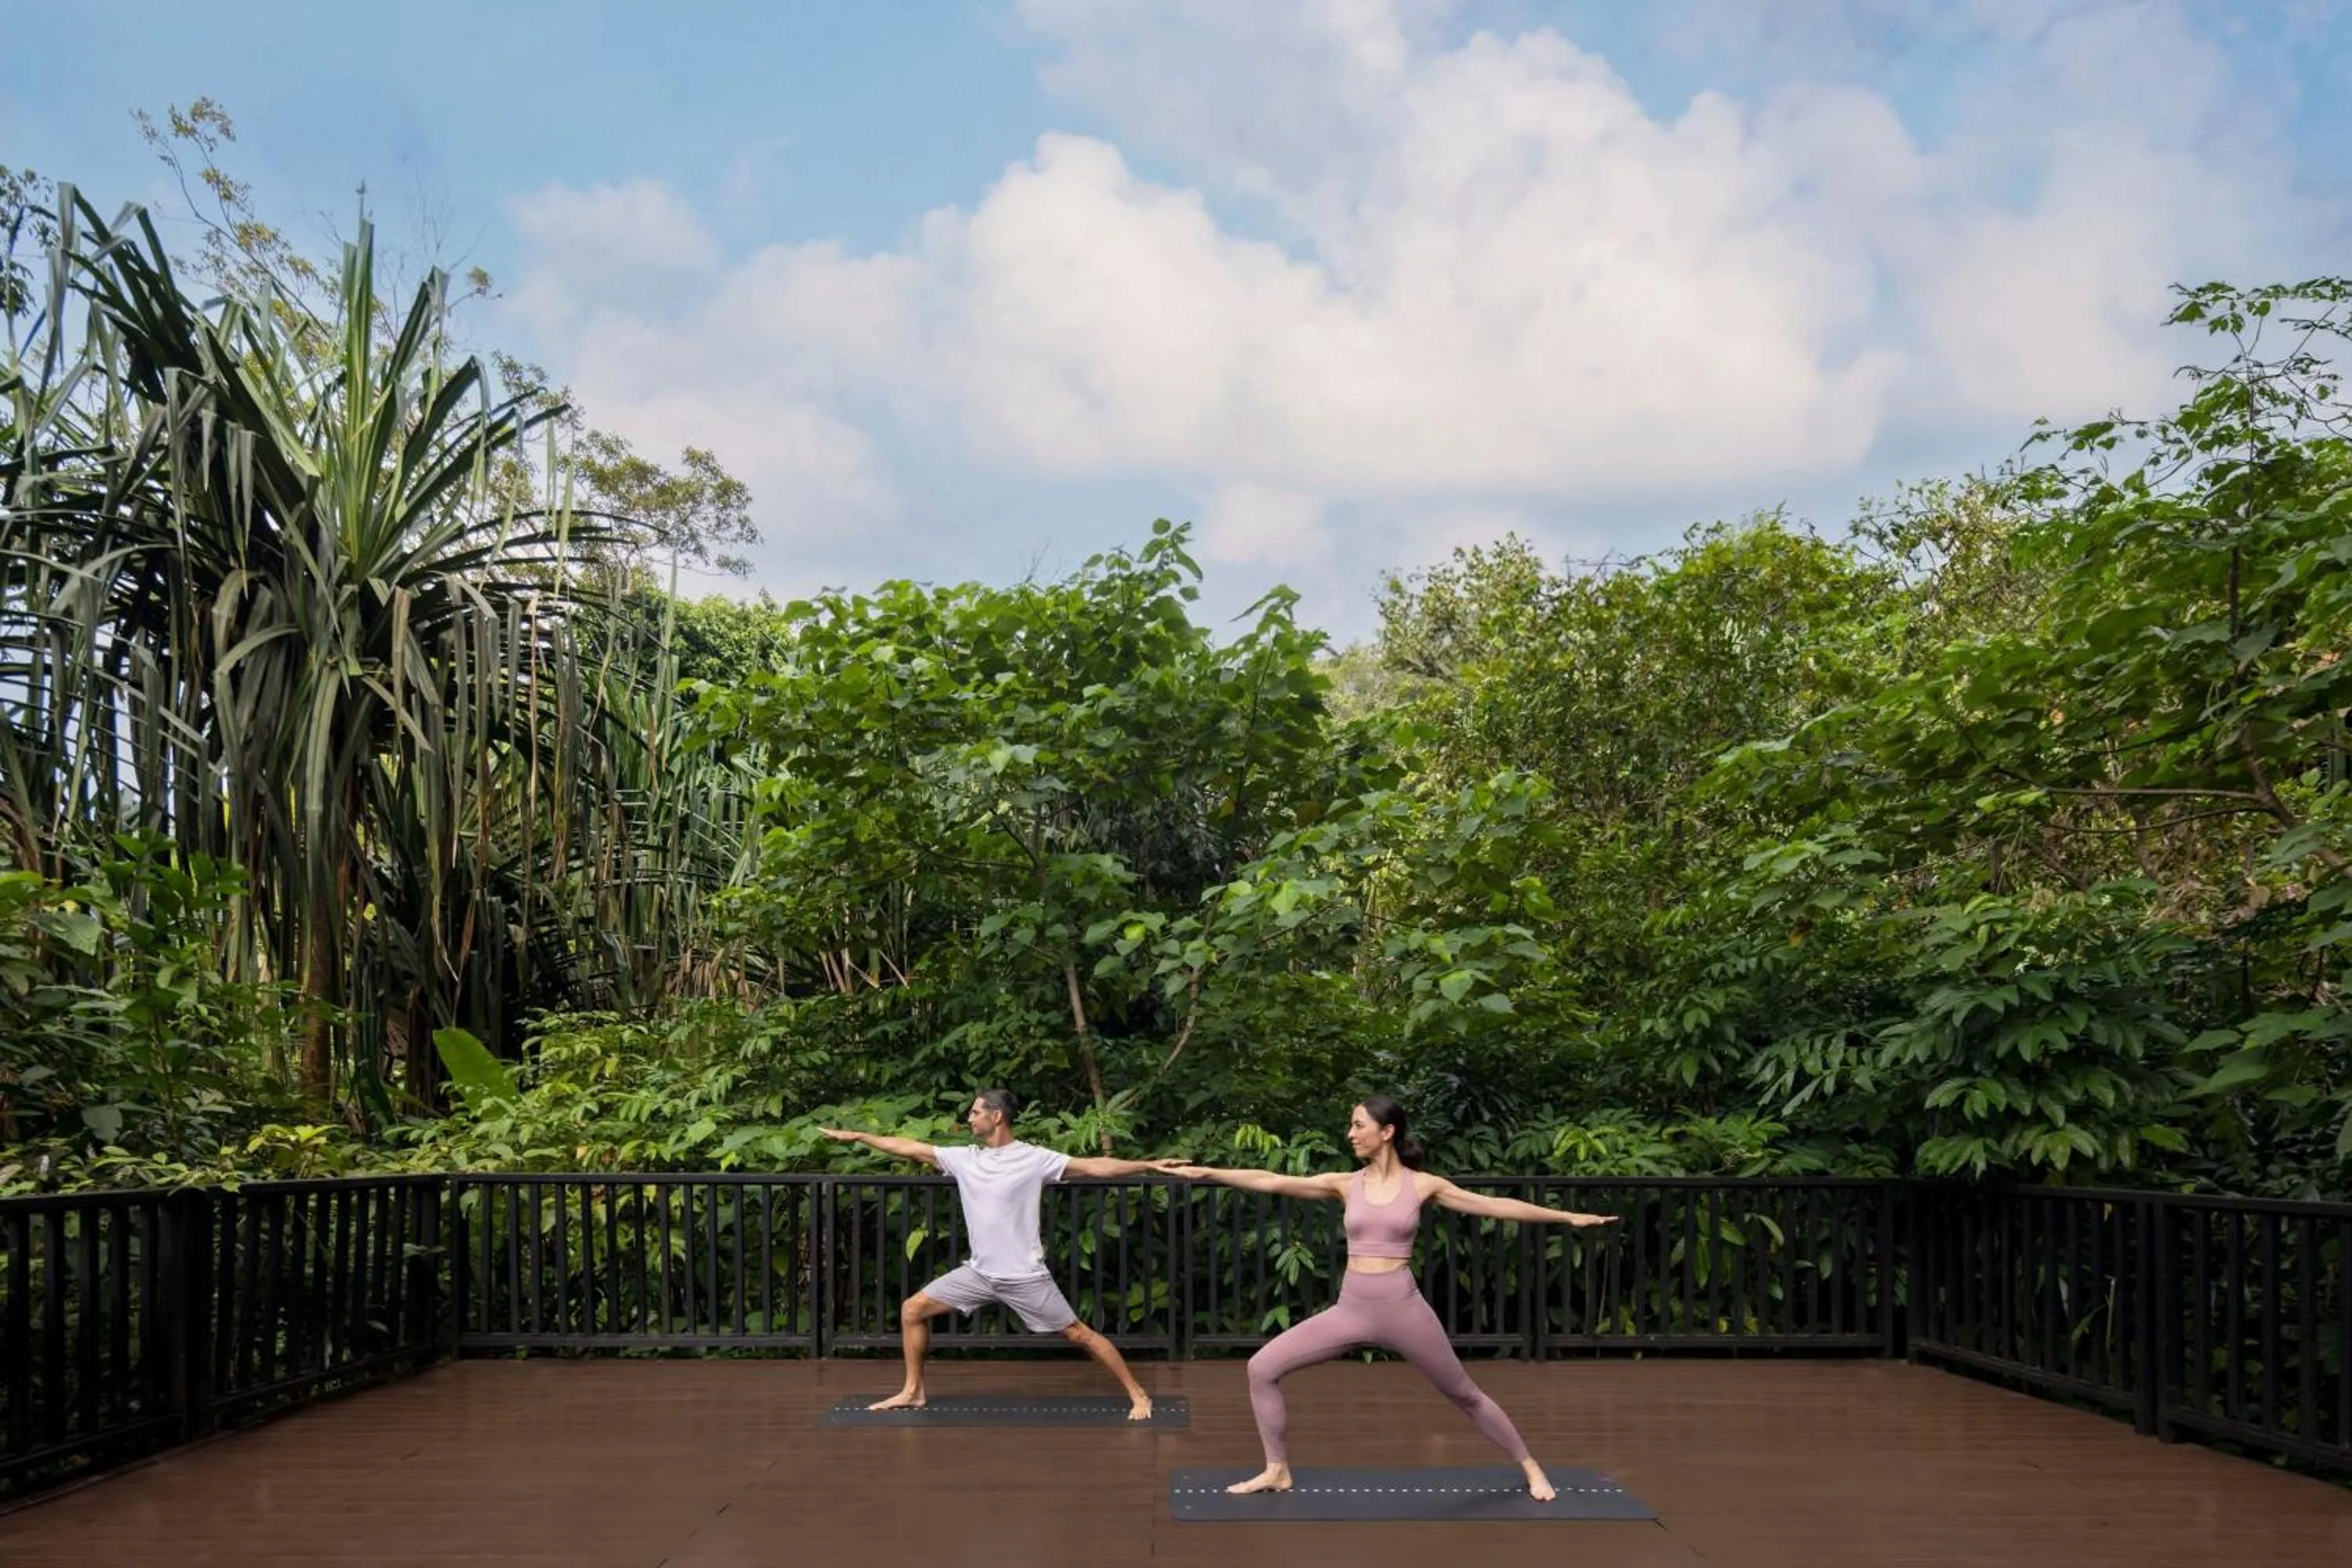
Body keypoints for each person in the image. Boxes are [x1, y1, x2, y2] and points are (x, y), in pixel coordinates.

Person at [1172, 1095, 1618, 1499]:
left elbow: (1494, 1206)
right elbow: (1270, 1180)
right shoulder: (1346, 1184)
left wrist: (1565, 1216)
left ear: (1387, 1132)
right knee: (1261, 1368)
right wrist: (1209, 1172)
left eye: (1358, 1125)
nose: (1350, 1134)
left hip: (1403, 1310)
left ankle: (1531, 1467)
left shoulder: (1423, 1185)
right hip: (1350, 1311)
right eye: (1351, 1125)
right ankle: (1277, 1470)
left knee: (1465, 1394)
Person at [821, 1089, 1184, 1420]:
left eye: (975, 1112)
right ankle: (913, 1392)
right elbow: (911, 1148)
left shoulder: (1034, 1159)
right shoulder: (964, 1159)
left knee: (1079, 1335)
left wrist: (1148, 1165)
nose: (969, 1118)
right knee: (912, 1310)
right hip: (979, 1274)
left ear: (996, 1116)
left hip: (1024, 1277)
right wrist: (861, 1137)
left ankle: (1139, 1395)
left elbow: (1095, 1166)